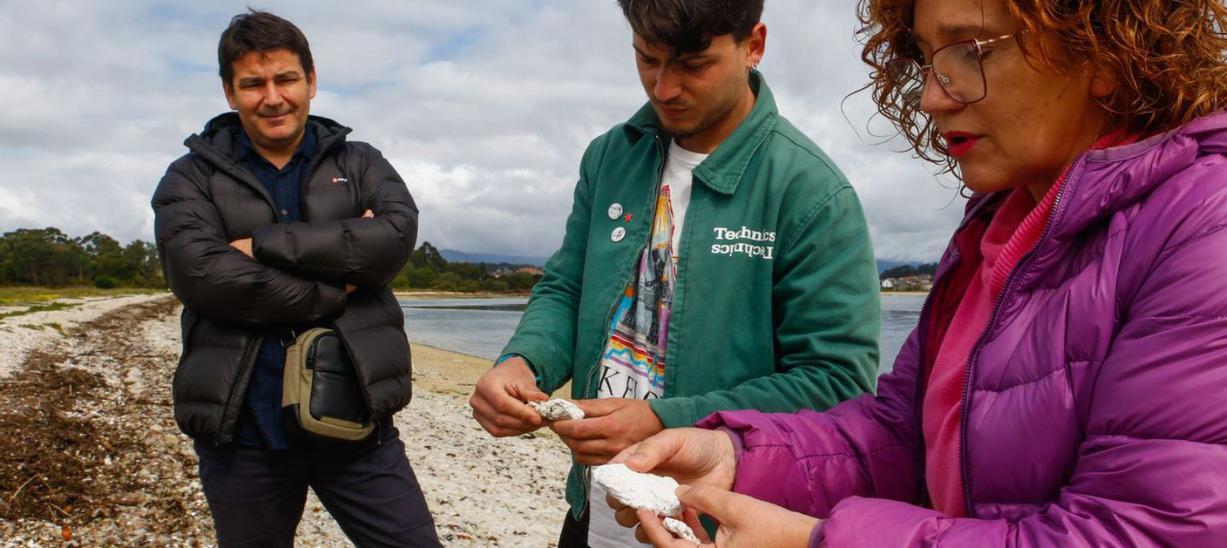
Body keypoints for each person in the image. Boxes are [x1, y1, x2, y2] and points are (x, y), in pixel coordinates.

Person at [607, 0, 1227, 545]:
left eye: (972, 49)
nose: (931, 95)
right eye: (927, 58)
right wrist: (737, 457)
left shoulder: (1226, 230)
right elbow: (902, 435)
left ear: (1105, 47)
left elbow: (1150, 533)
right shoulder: (1000, 230)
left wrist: (818, 542)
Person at [468, 0, 881, 545]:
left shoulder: (811, 191)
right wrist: (523, 362)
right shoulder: (610, 157)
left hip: (720, 522)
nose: (663, 89)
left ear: (753, 44)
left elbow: (838, 382)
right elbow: (569, 287)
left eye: (693, 64)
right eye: (647, 59)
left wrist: (666, 418)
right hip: (595, 504)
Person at [151, 10, 440, 546]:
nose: (272, 97)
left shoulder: (359, 163)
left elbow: (394, 238)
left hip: (356, 421)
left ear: (311, 80)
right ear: (229, 93)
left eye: (285, 78)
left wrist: (262, 244)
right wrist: (337, 285)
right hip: (242, 432)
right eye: (252, 84)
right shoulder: (189, 177)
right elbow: (203, 276)